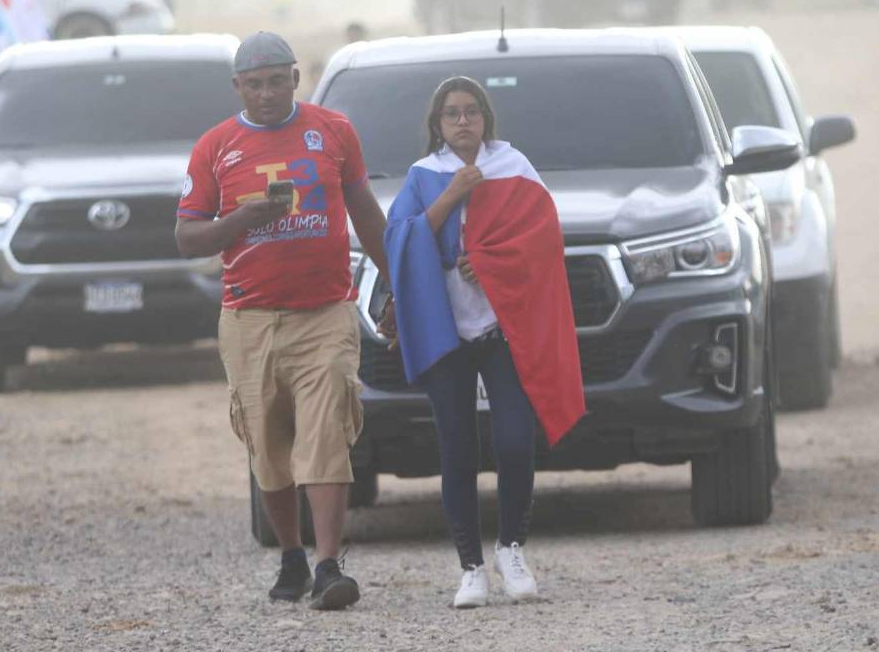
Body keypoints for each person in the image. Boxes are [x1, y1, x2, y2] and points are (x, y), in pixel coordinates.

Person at [175, 31, 392, 611]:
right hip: (250, 317)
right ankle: (292, 555)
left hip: (326, 312)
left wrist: (396, 282)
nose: (267, 93)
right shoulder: (215, 147)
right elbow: (188, 237)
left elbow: (366, 213)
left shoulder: (334, 131)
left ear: (295, 78)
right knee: (269, 446)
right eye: (254, 84)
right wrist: (242, 220)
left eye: (276, 81)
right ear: (237, 87)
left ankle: (328, 565)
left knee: (327, 434)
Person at [384, 76, 585, 608]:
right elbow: (401, 239)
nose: (463, 121)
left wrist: (492, 264)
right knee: (457, 448)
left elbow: (542, 239)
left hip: (502, 328)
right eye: (452, 113)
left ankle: (511, 548)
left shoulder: (514, 167)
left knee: (515, 440)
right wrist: (452, 195)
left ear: (485, 118)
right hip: (446, 329)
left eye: (471, 111)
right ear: (438, 123)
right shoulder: (424, 175)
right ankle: (470, 567)